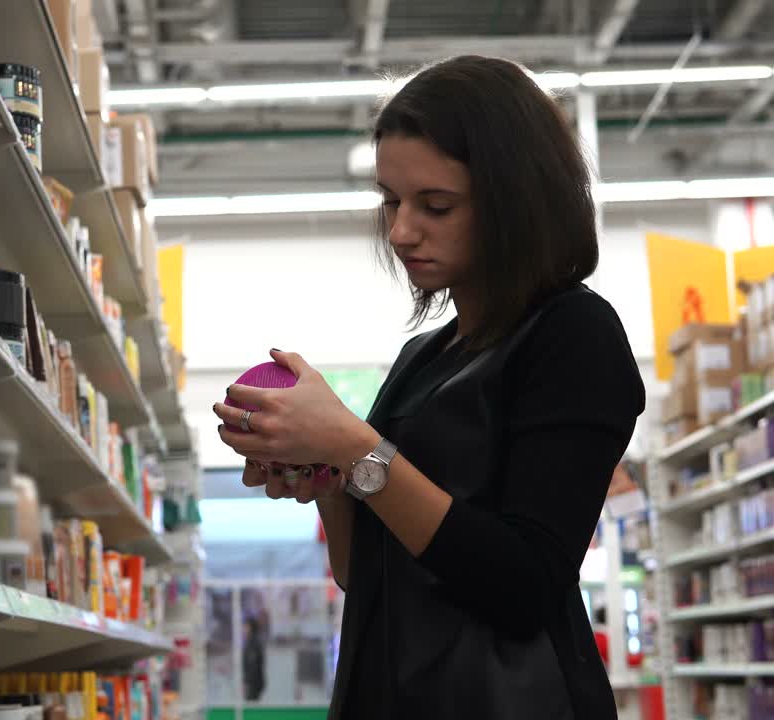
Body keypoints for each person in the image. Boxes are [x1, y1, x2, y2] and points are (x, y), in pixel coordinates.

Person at [211, 55, 645, 719]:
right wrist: (327, 480)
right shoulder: (424, 356)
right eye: (391, 200)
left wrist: (355, 448)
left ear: (517, 199)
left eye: (435, 206)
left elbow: (526, 586)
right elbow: (364, 574)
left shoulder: (573, 334)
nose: (401, 231)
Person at [242, 616, 266, 702]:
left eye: (245, 626)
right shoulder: (251, 641)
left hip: (253, 683)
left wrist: (247, 683)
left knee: (251, 704)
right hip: (253, 683)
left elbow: (253, 666)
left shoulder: (253, 643)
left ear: (250, 628)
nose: (243, 629)